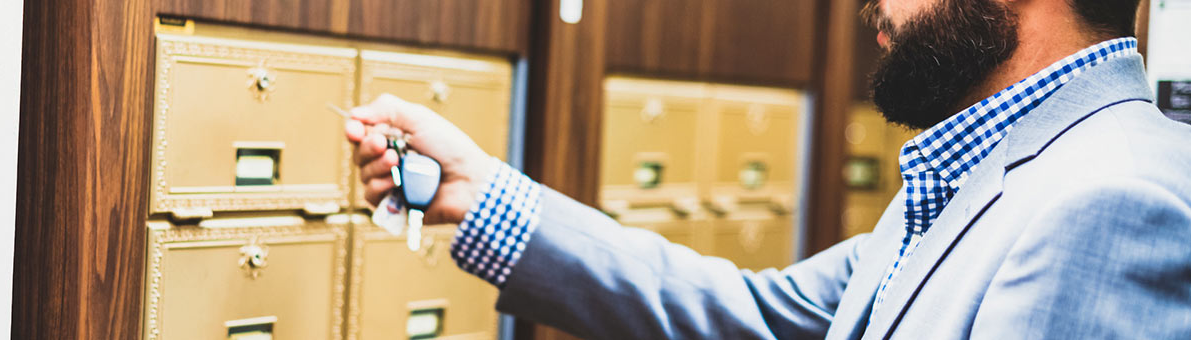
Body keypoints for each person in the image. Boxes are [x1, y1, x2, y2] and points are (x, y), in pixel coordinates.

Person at [343, 0, 1191, 338]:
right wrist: (480, 191)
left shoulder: (1108, 201)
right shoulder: (978, 170)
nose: (870, 4)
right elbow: (749, 314)